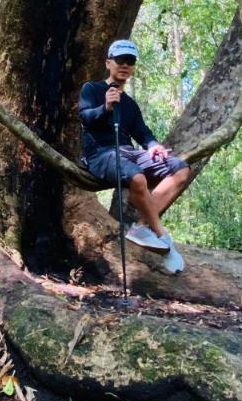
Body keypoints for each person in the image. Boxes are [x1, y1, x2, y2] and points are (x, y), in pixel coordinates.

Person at [80, 39, 193, 274]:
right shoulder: (92, 89)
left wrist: (153, 146)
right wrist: (106, 108)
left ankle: (142, 227)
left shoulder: (130, 104)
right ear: (108, 62)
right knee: (138, 179)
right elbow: (86, 118)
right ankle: (164, 238)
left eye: (130, 61)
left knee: (180, 169)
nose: (124, 65)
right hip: (100, 154)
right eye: (120, 60)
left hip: (129, 153)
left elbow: (143, 134)